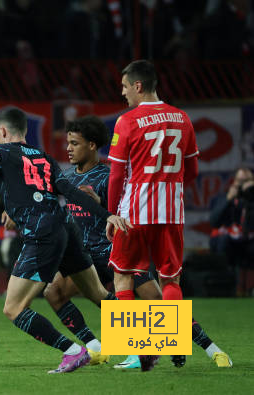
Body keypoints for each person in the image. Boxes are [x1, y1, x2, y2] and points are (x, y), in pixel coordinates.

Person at [0, 107, 132, 374]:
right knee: (97, 294)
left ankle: (73, 351)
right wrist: (108, 215)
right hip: (65, 227)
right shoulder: (44, 157)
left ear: (3, 131)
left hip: (42, 233)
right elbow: (69, 192)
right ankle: (145, 342)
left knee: (14, 308)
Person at [43, 115, 231, 369]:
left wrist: (102, 205)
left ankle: (212, 350)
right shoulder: (66, 177)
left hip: (119, 249)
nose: (68, 148)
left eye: (74, 143)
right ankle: (97, 348)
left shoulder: (110, 176)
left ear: (92, 145)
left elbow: (125, 211)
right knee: (54, 292)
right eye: (68, 143)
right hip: (86, 256)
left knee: (158, 303)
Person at [106, 59, 232, 371]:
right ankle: (175, 343)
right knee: (170, 278)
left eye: (124, 87)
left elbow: (116, 176)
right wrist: (168, 187)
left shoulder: (127, 121)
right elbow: (192, 171)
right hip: (171, 211)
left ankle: (137, 352)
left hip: (133, 212)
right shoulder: (182, 117)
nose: (122, 94)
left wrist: (111, 213)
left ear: (138, 86)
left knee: (122, 275)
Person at [209, 167, 254, 269]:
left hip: (248, 243)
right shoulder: (224, 198)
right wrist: (228, 199)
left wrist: (250, 198)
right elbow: (214, 222)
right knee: (223, 242)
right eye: (241, 181)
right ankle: (225, 278)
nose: (243, 185)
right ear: (234, 182)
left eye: (247, 181)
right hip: (229, 243)